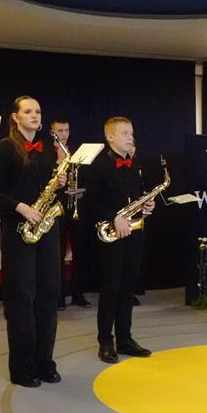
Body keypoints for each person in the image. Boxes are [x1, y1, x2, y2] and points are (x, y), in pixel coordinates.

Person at [0, 96, 64, 387]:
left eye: (38, 111)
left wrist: (59, 183)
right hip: (18, 231)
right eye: (28, 111)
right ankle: (22, 369)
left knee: (48, 296)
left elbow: (47, 189)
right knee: (22, 300)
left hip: (46, 230)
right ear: (15, 117)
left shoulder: (46, 149)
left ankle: (45, 363)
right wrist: (21, 207)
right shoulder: (6, 148)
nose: (35, 115)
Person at [85, 117, 155, 362]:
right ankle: (105, 340)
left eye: (131, 133)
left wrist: (145, 204)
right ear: (110, 137)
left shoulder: (135, 164)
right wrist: (114, 217)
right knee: (111, 287)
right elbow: (89, 203)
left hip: (133, 232)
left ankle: (125, 338)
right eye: (124, 133)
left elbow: (135, 195)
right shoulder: (99, 166)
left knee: (128, 287)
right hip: (111, 234)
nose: (130, 137)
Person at [49, 116, 90, 310]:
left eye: (66, 131)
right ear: (52, 133)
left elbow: (84, 178)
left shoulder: (76, 153)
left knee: (79, 251)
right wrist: (58, 162)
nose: (64, 135)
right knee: (56, 253)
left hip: (74, 207)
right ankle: (58, 295)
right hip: (56, 208)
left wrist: (81, 191)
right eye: (60, 131)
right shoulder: (46, 154)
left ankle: (78, 293)